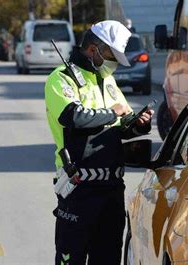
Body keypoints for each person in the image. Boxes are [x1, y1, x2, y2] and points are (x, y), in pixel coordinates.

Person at [45, 20, 154, 265]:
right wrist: (113, 113)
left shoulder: (108, 81)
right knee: (70, 258)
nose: (114, 62)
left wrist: (139, 123)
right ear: (93, 49)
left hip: (112, 189)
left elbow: (122, 124)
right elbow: (73, 117)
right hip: (78, 188)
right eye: (111, 55)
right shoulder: (62, 78)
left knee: (108, 258)